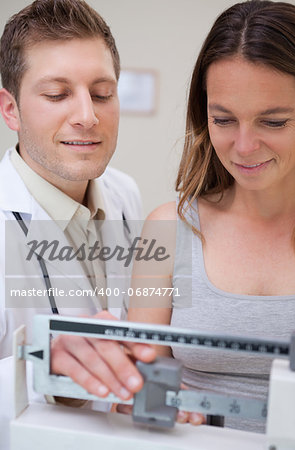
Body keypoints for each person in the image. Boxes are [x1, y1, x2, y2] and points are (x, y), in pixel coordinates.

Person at [126, 0, 295, 433]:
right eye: (224, 119)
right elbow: (144, 388)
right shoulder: (166, 229)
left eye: (273, 122)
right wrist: (151, 403)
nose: (243, 146)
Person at [0, 1, 154, 447]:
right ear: (11, 110)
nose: (88, 115)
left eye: (102, 93)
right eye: (57, 94)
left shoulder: (126, 195)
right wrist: (40, 366)